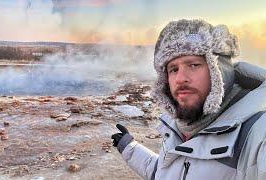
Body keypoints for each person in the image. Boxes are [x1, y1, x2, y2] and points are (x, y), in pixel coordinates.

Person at [111, 19, 266, 180]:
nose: (180, 78)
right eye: (173, 69)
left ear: (219, 71)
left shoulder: (257, 135)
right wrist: (129, 147)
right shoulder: (179, 127)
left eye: (193, 65)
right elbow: (167, 173)